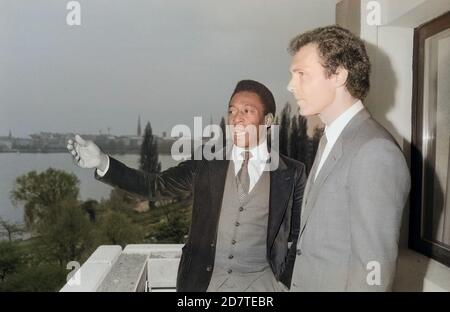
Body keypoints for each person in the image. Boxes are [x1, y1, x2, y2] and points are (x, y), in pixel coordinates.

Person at [67, 79, 306, 292]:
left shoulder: (292, 173)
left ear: (267, 121)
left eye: (247, 111)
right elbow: (155, 186)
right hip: (204, 284)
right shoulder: (207, 162)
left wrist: (285, 282)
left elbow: (299, 237)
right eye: (232, 111)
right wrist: (101, 162)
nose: (236, 118)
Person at [286, 26, 410, 291]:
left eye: (301, 75)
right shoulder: (331, 139)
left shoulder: (375, 152)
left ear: (339, 75)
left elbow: (373, 271)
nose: (290, 85)